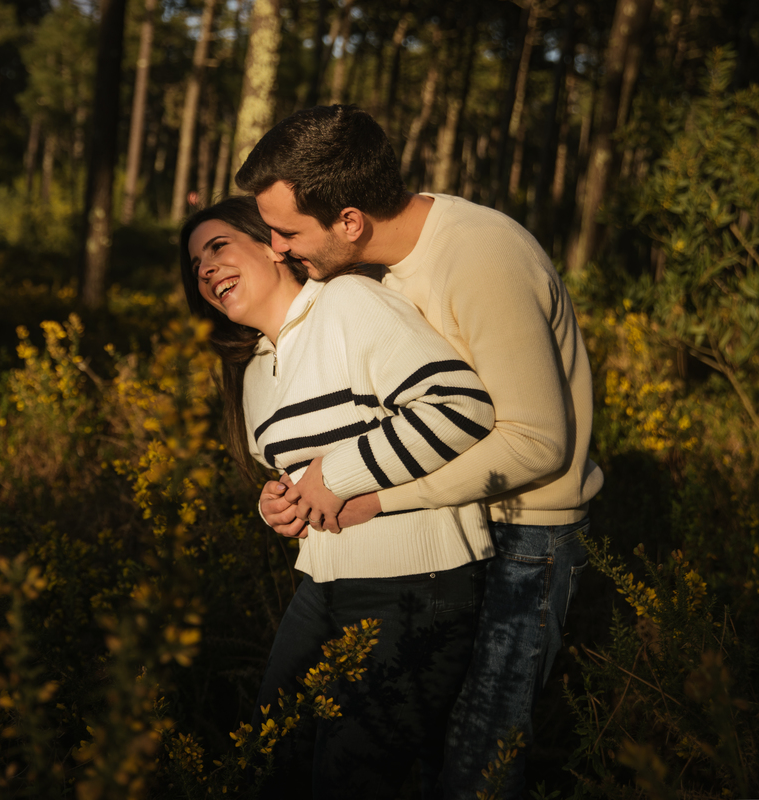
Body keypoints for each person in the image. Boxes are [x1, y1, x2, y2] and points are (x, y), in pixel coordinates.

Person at [236, 105, 604, 799]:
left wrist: (369, 496)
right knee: (426, 758)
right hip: (450, 537)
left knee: (479, 766)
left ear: (349, 220)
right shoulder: (375, 270)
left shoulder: (479, 255)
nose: (278, 249)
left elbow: (538, 441)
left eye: (286, 232)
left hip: (525, 536)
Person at [179, 196, 499, 798]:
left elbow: (460, 406)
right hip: (323, 582)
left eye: (218, 246)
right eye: (195, 262)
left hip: (417, 579)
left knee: (347, 779)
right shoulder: (254, 372)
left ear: (272, 244)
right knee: (270, 758)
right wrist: (279, 505)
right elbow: (306, 481)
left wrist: (335, 474)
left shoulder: (349, 302)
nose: (205, 269)